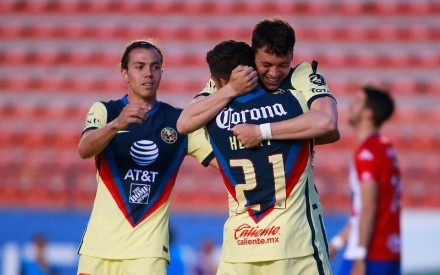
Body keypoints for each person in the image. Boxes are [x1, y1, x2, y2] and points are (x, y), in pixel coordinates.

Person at [177, 18, 340, 275]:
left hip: (268, 244)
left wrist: (261, 133)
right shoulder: (234, 83)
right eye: (266, 65)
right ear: (253, 56)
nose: (274, 73)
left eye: (282, 65)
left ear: (292, 57)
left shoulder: (300, 76)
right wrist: (232, 88)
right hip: (280, 246)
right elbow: (184, 122)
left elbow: (328, 125)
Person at [76, 39, 217, 275]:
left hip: (147, 252)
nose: (148, 74)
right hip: (98, 248)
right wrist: (117, 125)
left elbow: (221, 161)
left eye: (155, 67)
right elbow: (84, 149)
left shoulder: (179, 121)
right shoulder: (105, 110)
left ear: (162, 71)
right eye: (139, 67)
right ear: (125, 73)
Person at [328, 86, 401, 275]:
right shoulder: (386, 149)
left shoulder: (366, 153)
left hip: (369, 254)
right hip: (390, 252)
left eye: (357, 101)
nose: (350, 105)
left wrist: (360, 256)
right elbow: (363, 210)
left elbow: (368, 207)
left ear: (367, 114)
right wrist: (337, 243)